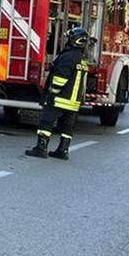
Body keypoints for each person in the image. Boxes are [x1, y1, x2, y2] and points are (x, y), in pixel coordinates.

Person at [25, 27, 90, 161]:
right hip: (73, 102)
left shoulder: (68, 56)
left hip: (60, 98)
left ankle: (41, 148)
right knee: (67, 126)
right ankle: (63, 150)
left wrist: (51, 94)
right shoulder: (82, 58)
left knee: (46, 122)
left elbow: (60, 77)